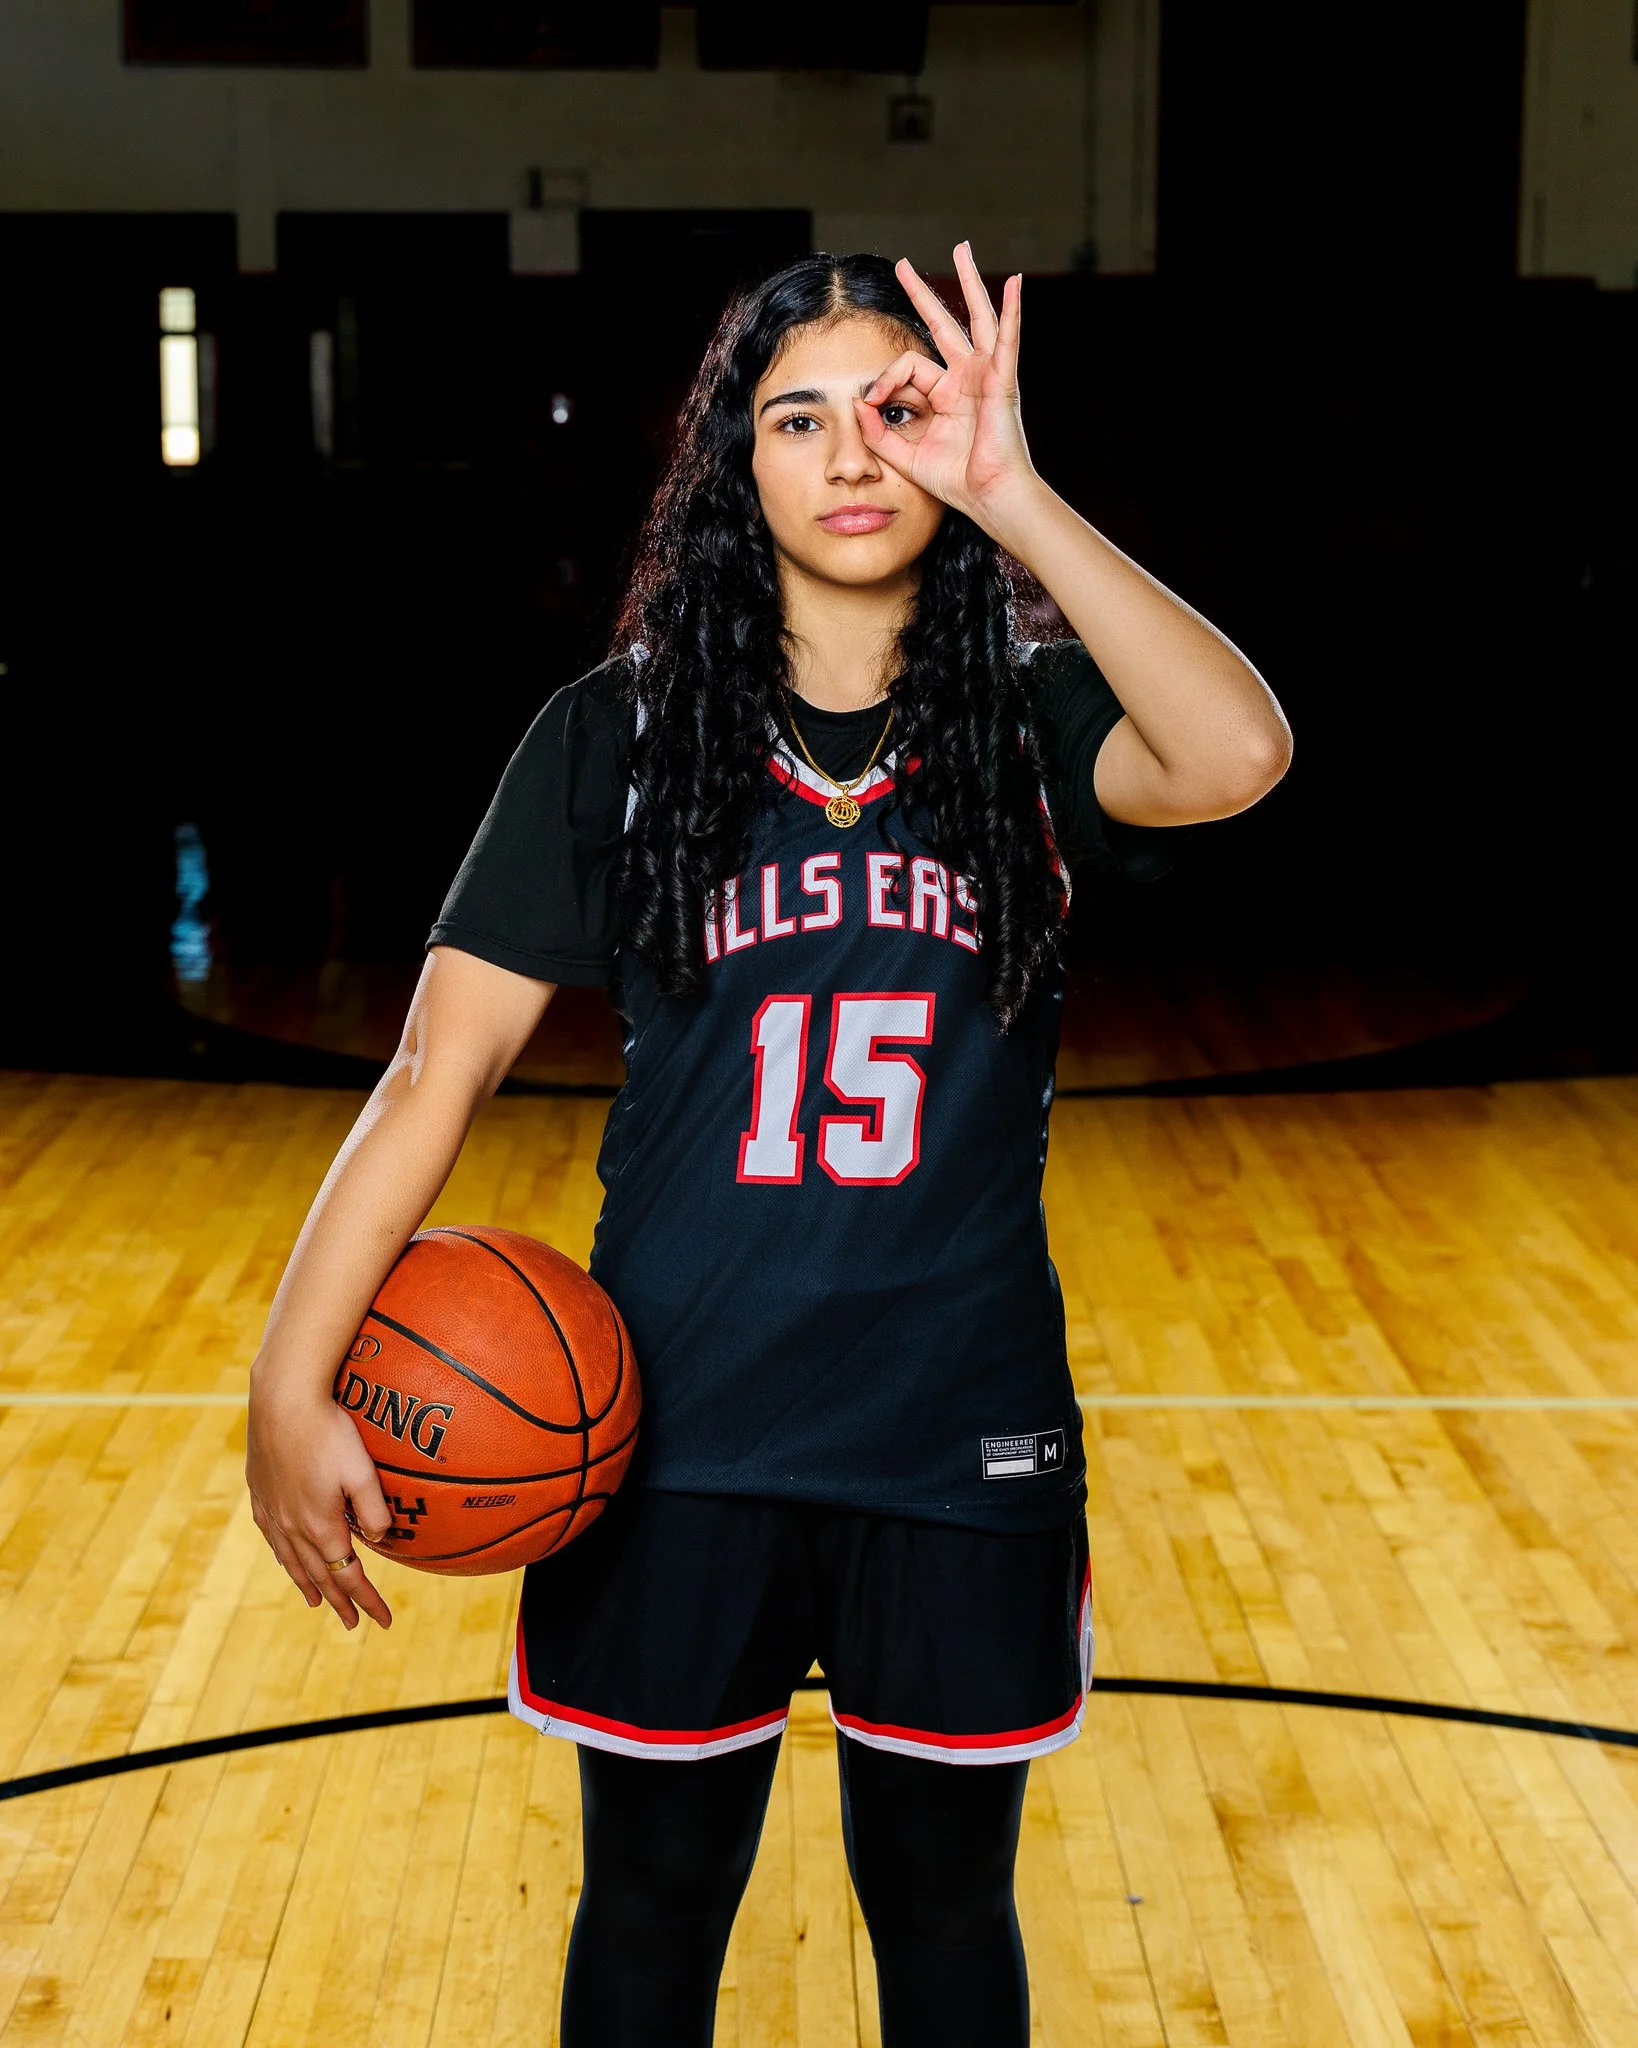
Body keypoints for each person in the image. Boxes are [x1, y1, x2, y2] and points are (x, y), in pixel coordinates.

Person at [246, 245, 1290, 2046]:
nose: (849, 454)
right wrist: (287, 1378)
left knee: (948, 1909)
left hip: (955, 1428)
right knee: (650, 1912)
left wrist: (1019, 496)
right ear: (733, 468)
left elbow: (1237, 753)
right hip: (673, 1432)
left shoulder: (1030, 732)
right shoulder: (616, 735)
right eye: (794, 418)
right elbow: (437, 1065)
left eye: (897, 410)